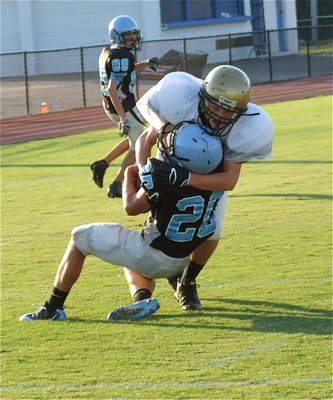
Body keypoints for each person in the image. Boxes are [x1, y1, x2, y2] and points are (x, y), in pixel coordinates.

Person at [19, 123, 224, 322]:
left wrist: (128, 175)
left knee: (79, 237)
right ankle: (143, 298)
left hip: (154, 255)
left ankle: (53, 307)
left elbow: (131, 207)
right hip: (187, 258)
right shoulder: (218, 179)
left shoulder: (167, 177)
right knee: (126, 252)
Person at [125, 65, 274, 312]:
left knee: (212, 232)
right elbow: (144, 140)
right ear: (203, 98)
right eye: (215, 106)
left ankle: (187, 280)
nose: (219, 115)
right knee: (154, 228)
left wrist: (185, 178)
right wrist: (144, 171)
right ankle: (148, 287)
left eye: (228, 112)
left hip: (207, 181)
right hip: (166, 170)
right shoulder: (180, 102)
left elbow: (229, 180)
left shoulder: (243, 128)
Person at [90, 15, 160, 197]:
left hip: (114, 105)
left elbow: (125, 70)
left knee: (135, 139)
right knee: (141, 144)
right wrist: (123, 118)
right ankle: (117, 184)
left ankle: (102, 164)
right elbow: (112, 88)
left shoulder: (109, 51)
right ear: (117, 36)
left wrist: (144, 64)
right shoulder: (121, 55)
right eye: (128, 36)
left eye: (133, 35)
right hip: (122, 106)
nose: (133, 39)